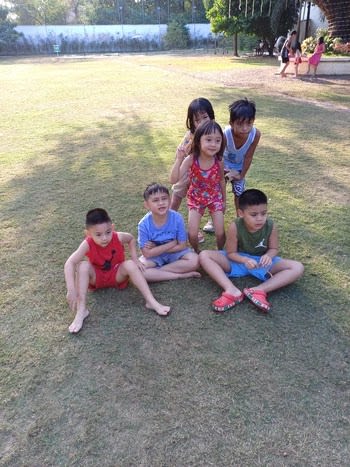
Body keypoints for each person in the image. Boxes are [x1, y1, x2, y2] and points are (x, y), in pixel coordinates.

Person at [64, 208, 171, 334]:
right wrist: (71, 288)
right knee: (82, 266)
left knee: (130, 264)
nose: (104, 238)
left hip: (116, 274)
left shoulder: (118, 237)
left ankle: (151, 302)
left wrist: (135, 259)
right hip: (96, 277)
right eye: (98, 234)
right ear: (88, 233)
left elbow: (130, 239)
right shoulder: (87, 243)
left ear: (112, 227)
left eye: (108, 232)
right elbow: (70, 263)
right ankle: (81, 311)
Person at [199, 189, 304, 313]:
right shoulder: (235, 226)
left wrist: (269, 256)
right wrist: (244, 259)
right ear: (241, 213)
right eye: (254, 215)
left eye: (264, 213)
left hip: (262, 263)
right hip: (238, 261)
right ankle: (231, 290)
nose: (260, 218)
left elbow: (274, 248)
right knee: (204, 255)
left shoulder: (271, 225)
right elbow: (230, 253)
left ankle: (259, 290)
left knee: (297, 267)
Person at [169, 97, 215, 242]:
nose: (202, 122)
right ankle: (167, 223)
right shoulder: (190, 135)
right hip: (188, 170)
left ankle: (210, 223)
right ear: (192, 122)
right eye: (197, 120)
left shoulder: (215, 132)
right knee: (177, 194)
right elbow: (183, 153)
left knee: (206, 198)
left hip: (205, 173)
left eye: (205, 117)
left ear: (211, 116)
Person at [178, 120, 226, 253]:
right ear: (199, 141)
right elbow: (174, 179)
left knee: (220, 232)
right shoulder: (191, 160)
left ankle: (220, 251)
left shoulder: (219, 161)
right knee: (192, 234)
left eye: (218, 140)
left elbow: (222, 181)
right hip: (195, 199)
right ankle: (196, 251)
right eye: (209, 139)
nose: (213, 144)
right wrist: (178, 160)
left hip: (215, 197)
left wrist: (224, 201)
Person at [138, 182, 200, 281]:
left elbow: (182, 245)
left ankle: (157, 272)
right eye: (155, 200)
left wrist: (157, 248)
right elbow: (147, 254)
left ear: (170, 200)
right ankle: (180, 275)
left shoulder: (177, 218)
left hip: (176, 253)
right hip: (155, 256)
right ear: (147, 205)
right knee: (138, 269)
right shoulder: (144, 224)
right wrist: (172, 243)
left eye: (164, 198)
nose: (161, 203)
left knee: (195, 260)